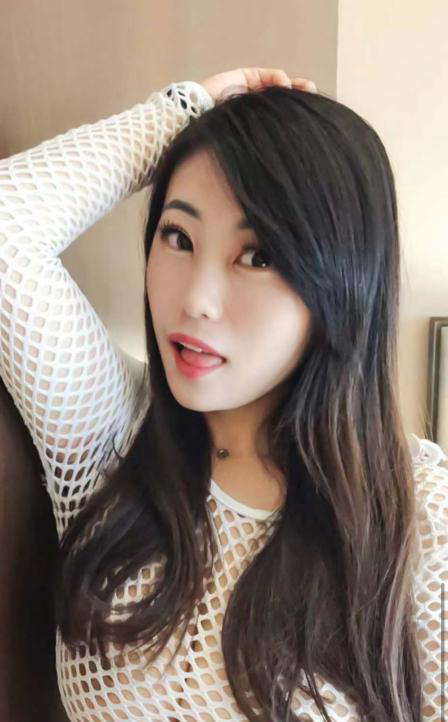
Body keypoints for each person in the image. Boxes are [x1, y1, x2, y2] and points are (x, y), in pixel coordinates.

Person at [0, 65, 446, 722]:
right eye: (178, 238)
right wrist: (187, 109)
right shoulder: (110, 437)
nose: (196, 301)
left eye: (257, 256)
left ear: (343, 282)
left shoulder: (425, 524)